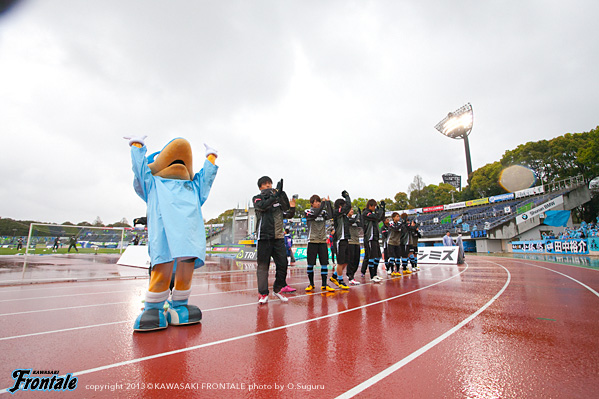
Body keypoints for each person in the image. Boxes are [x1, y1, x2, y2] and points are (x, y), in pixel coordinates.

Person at [125, 135, 218, 332]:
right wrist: (137, 148)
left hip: (189, 239)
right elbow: (140, 171)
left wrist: (210, 158)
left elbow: (206, 179)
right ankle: (154, 309)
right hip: (165, 237)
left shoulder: (193, 187)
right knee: (162, 269)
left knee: (186, 272)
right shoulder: (154, 184)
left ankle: (180, 306)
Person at [253, 176, 296, 304]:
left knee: (283, 264)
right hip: (264, 237)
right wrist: (273, 196)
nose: (268, 186)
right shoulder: (257, 198)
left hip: (278, 237)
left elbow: (286, 210)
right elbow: (263, 206)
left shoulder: (276, 198)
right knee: (263, 266)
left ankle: (277, 289)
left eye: (270, 183)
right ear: (260, 187)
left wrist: (281, 193)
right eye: (265, 184)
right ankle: (263, 293)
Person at [304, 194, 335, 292]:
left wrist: (328, 204)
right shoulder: (308, 211)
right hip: (312, 240)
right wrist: (323, 205)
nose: (318, 203)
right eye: (317, 202)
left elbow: (331, 216)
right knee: (310, 264)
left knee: (324, 263)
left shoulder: (323, 211)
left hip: (322, 241)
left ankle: (324, 284)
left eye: (319, 201)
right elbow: (315, 215)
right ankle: (311, 284)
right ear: (312, 203)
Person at [330, 191, 352, 289]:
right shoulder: (336, 213)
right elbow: (347, 207)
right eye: (343, 206)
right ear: (340, 206)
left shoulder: (344, 216)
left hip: (345, 239)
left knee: (346, 261)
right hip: (339, 240)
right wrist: (347, 197)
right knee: (340, 262)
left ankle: (334, 276)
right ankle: (340, 280)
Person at [361, 199, 386, 282]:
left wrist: (383, 208)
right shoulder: (366, 213)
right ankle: (372, 276)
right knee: (371, 257)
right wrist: (380, 210)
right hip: (369, 238)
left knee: (378, 256)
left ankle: (375, 274)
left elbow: (381, 218)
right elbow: (377, 217)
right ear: (370, 206)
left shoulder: (373, 215)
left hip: (375, 238)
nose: (375, 208)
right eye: (374, 206)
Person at [346, 207, 362, 285]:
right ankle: (350, 276)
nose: (352, 211)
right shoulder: (346, 219)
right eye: (350, 209)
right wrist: (358, 216)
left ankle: (351, 274)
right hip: (350, 242)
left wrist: (360, 216)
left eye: (352, 210)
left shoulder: (355, 219)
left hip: (357, 241)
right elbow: (352, 221)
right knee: (351, 260)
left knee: (357, 260)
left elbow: (361, 224)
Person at [387, 212, 403, 277]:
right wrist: (401, 225)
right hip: (391, 242)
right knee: (392, 257)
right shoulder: (390, 223)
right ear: (393, 217)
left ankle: (398, 270)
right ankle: (391, 270)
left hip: (397, 242)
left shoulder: (400, 224)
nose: (398, 218)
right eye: (396, 216)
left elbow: (403, 231)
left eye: (398, 216)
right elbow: (395, 229)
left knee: (398, 257)